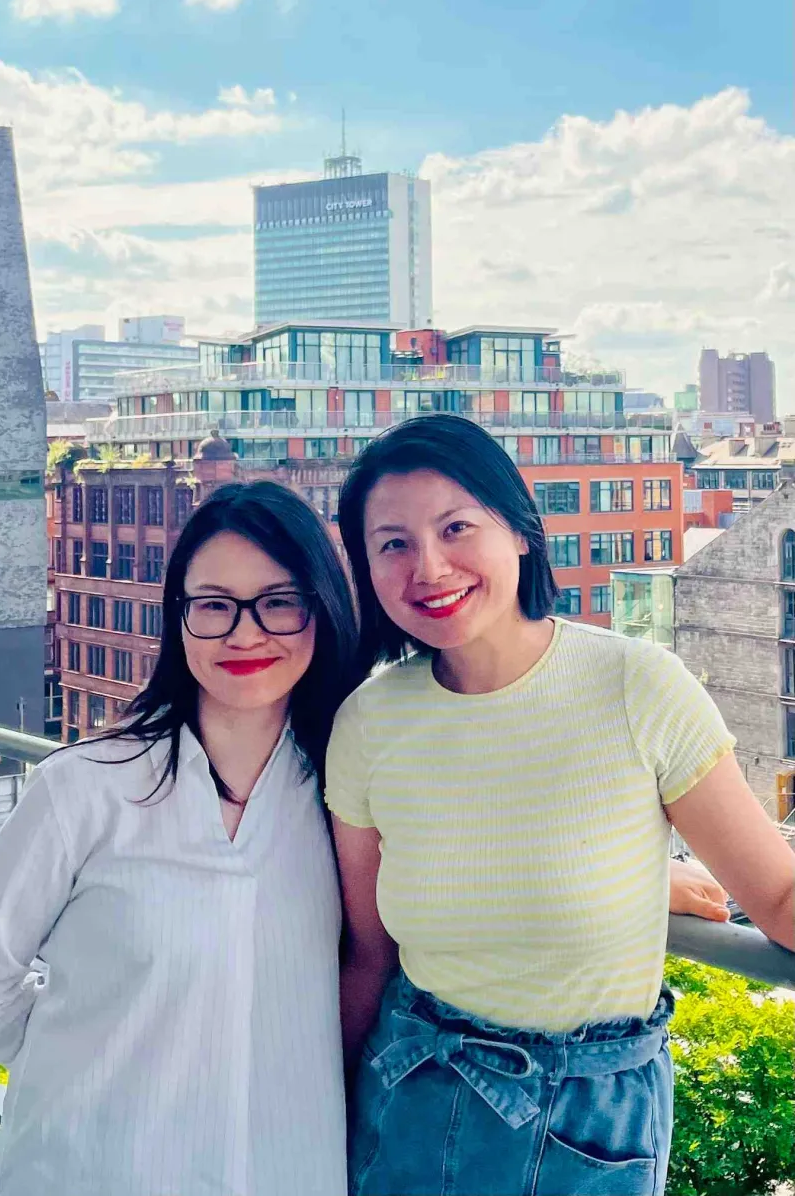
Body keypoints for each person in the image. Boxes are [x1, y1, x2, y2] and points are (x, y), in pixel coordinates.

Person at [327, 414, 795, 1196]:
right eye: (393, 543)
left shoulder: (637, 685)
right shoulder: (369, 722)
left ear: (520, 532)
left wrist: (641, 880)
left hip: (588, 1115)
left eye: (456, 527)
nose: (430, 566)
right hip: (408, 1091)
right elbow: (368, 954)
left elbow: (777, 895)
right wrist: (322, 1108)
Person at [0, 481, 360, 1196]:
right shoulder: (87, 787)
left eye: (280, 602)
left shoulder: (345, 795)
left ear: (322, 610)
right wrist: (89, 1050)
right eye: (214, 605)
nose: (245, 634)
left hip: (288, 1167)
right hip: (94, 1167)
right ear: (179, 618)